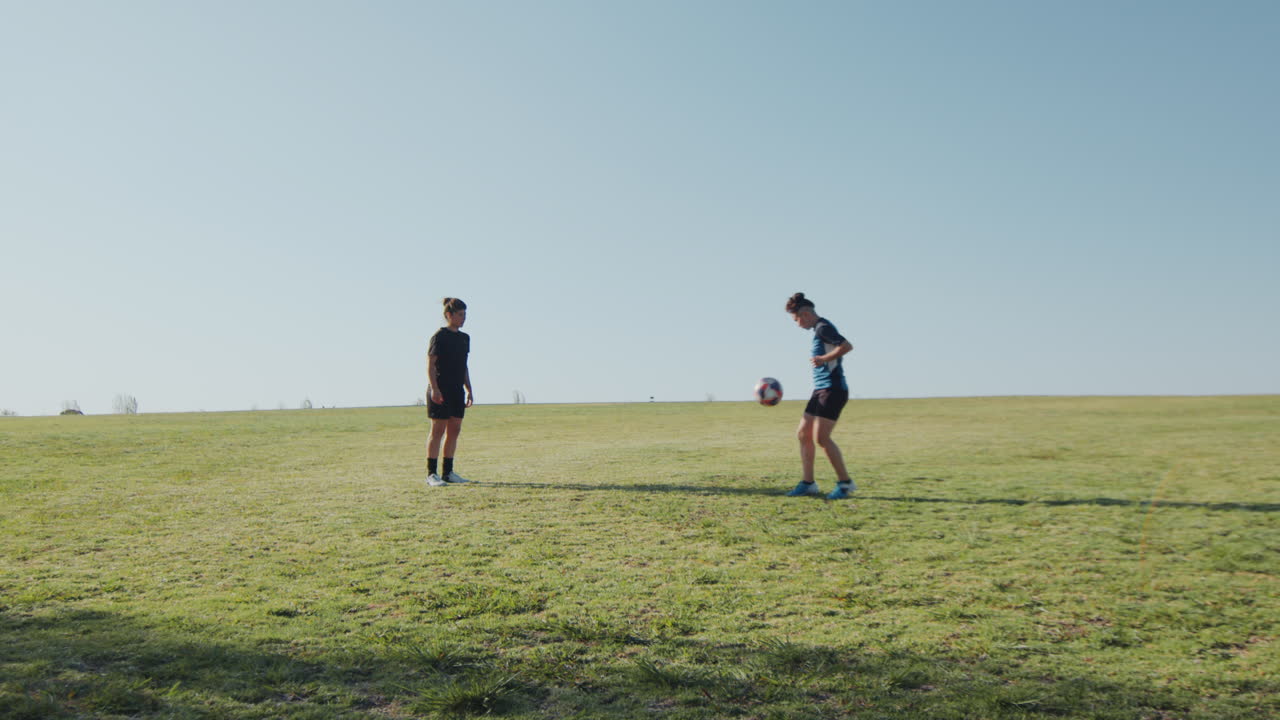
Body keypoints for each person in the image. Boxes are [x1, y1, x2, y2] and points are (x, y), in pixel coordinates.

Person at [784, 292, 856, 500]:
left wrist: (824, 358)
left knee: (821, 438)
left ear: (805, 314)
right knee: (803, 434)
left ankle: (845, 484)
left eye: (796, 319)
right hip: (820, 389)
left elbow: (846, 346)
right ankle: (808, 484)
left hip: (833, 390)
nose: (797, 324)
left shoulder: (824, 327)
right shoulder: (818, 329)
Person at [426, 297, 474, 486]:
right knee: (437, 431)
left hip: (457, 391)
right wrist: (435, 389)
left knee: (454, 430)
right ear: (449, 315)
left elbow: (464, 366)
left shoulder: (464, 338)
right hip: (440, 389)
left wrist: (469, 388)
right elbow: (430, 365)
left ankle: (448, 472)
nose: (464, 318)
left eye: (465, 315)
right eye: (460, 315)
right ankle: (431, 474)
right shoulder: (439, 336)